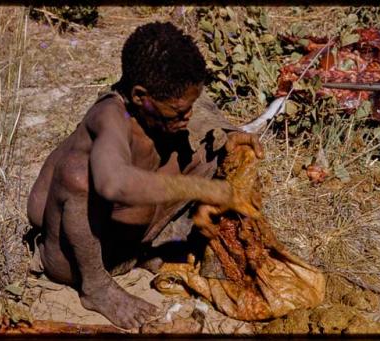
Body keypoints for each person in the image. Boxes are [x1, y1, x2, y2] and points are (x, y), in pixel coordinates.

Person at [27, 22, 264, 330]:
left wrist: (228, 136)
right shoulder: (112, 116)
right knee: (78, 176)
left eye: (187, 108)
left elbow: (201, 110)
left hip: (130, 244)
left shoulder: (161, 104)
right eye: (178, 112)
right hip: (73, 258)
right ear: (140, 96)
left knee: (216, 150)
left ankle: (148, 253)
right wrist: (204, 188)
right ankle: (97, 288)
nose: (186, 117)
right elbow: (112, 183)